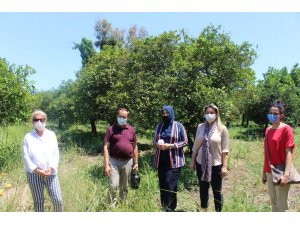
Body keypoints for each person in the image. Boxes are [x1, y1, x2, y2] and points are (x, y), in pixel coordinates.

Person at [22, 110, 63, 212]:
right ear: (33, 122)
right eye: (36, 120)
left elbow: (56, 153)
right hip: (34, 174)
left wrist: (51, 168)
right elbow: (25, 156)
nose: (39, 122)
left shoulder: (51, 135)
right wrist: (37, 170)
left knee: (58, 200)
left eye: (41, 119)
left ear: (46, 121)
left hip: (51, 173)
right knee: (38, 202)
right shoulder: (28, 137)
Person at [190, 103, 229, 212]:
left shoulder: (222, 129)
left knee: (217, 190)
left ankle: (218, 211)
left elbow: (225, 150)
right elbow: (195, 146)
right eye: (207, 113)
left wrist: (224, 166)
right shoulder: (200, 127)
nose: (209, 115)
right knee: (203, 189)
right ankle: (204, 210)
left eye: (212, 113)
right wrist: (193, 161)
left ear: (216, 114)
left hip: (216, 165)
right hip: (200, 163)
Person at [153, 105, 188, 212]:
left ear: (171, 113)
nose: (165, 115)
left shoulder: (179, 126)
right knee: (163, 185)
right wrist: (157, 145)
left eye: (167, 113)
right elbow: (154, 141)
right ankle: (165, 206)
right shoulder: (159, 126)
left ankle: (170, 209)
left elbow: (185, 141)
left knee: (170, 185)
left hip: (174, 162)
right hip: (161, 161)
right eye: (163, 113)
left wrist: (171, 146)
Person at [262, 101, 295, 212]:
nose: (272, 115)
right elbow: (267, 153)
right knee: (274, 202)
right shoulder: (268, 130)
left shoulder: (287, 129)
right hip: (269, 170)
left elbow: (289, 153)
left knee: (281, 205)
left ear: (281, 115)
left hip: (281, 171)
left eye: (275, 113)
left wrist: (286, 174)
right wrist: (264, 172)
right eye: (271, 112)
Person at [103, 108, 138, 206]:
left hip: (128, 162)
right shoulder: (111, 129)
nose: (122, 118)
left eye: (124, 117)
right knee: (113, 185)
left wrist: (136, 162)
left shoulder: (131, 130)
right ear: (117, 116)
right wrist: (107, 165)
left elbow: (135, 147)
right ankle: (111, 207)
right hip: (114, 162)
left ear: (127, 118)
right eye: (120, 116)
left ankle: (122, 206)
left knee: (124, 186)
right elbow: (106, 147)